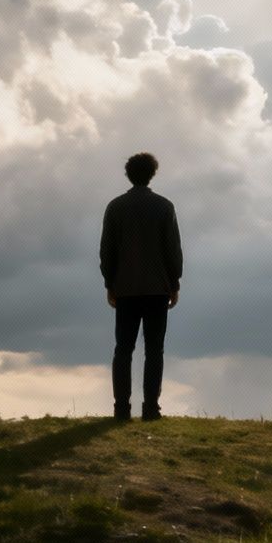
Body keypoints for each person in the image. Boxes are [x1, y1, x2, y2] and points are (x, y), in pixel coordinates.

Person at [99, 151, 182, 422]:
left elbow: (107, 250)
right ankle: (151, 409)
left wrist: (110, 283)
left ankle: (121, 409)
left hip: (125, 289)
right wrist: (174, 282)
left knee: (123, 349)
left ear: (128, 174)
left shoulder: (115, 207)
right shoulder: (164, 206)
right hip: (157, 288)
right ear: (152, 174)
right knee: (154, 350)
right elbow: (173, 249)